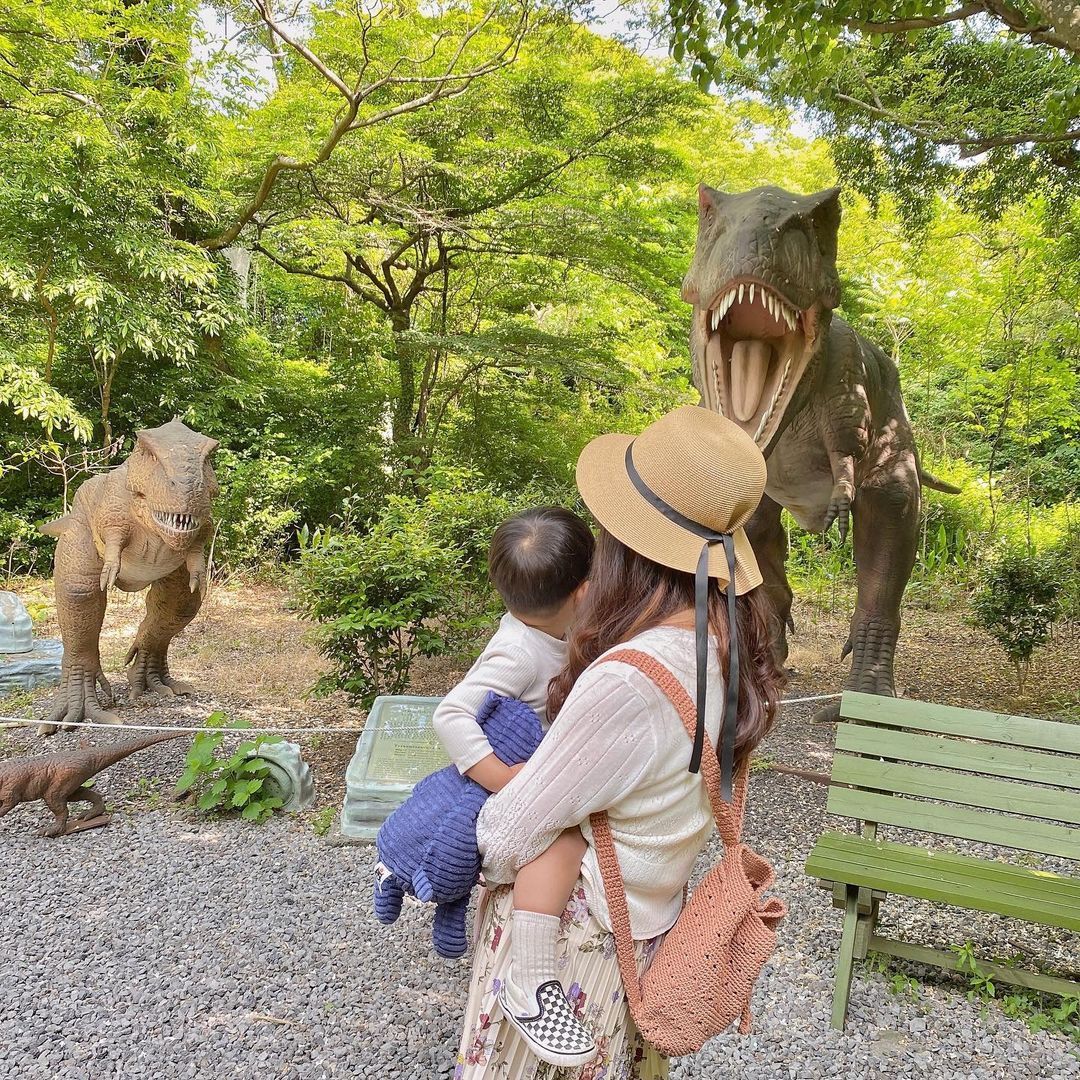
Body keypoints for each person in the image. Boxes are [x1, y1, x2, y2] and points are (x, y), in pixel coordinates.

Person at [454, 405, 786, 1078]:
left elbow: (511, 832)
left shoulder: (630, 680)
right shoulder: (719, 645)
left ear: (628, 542)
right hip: (643, 932)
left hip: (574, 953)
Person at [432, 506, 598, 1063]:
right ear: (583, 589)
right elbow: (450, 714)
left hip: (539, 769)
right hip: (512, 781)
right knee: (566, 838)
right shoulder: (518, 651)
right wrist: (502, 779)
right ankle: (532, 977)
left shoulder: (550, 629)